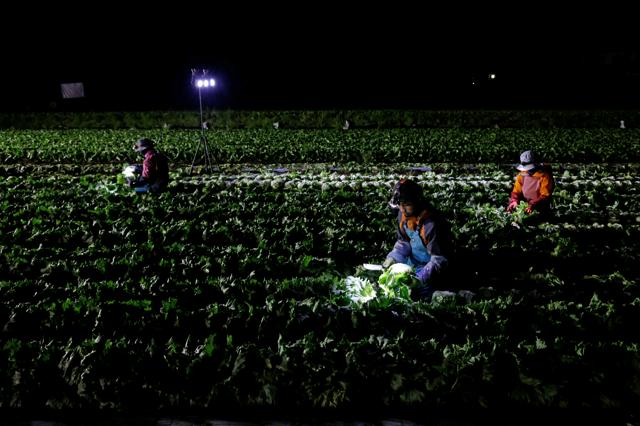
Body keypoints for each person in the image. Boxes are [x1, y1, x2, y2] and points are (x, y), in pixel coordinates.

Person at [382, 179, 449, 299]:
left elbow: (439, 259)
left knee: (415, 294)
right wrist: (393, 258)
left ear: (417, 201)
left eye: (407, 205)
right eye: (399, 205)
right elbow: (404, 242)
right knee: (392, 285)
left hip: (432, 269)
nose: (402, 209)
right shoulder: (402, 216)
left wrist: (419, 279)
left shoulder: (431, 224)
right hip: (414, 264)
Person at [506, 150, 554, 214]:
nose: (529, 170)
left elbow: (545, 196)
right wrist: (514, 200)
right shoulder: (522, 175)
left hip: (540, 207)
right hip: (526, 205)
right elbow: (516, 191)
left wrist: (533, 204)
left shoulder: (544, 176)